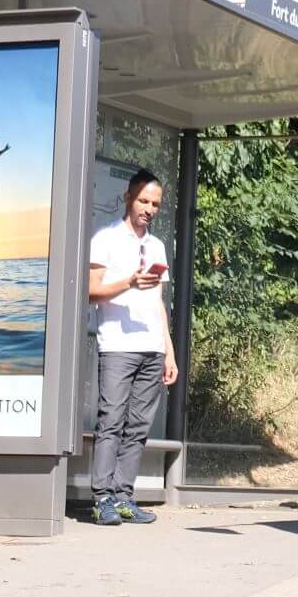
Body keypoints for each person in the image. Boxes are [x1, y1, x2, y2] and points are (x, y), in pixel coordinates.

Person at [86, 169, 177, 525]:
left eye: (155, 204)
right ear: (128, 197)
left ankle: (125, 496)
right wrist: (128, 282)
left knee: (139, 426)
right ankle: (102, 499)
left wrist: (168, 351)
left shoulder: (156, 246)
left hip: (151, 347)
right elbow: (90, 291)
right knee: (111, 422)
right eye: (143, 201)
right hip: (118, 347)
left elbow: (158, 302)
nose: (149, 209)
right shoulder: (106, 239)